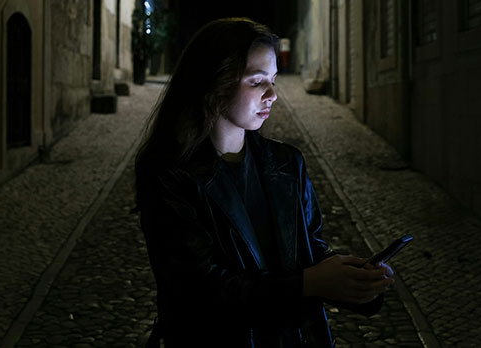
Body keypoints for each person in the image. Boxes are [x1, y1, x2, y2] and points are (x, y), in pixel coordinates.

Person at [136, 18, 394, 347]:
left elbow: (309, 252)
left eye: (273, 80)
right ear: (215, 83)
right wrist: (308, 283)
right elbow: (198, 292)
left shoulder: (287, 164)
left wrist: (354, 280)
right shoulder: (169, 174)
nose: (272, 94)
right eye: (257, 82)